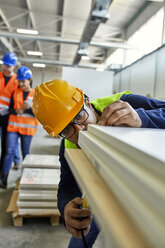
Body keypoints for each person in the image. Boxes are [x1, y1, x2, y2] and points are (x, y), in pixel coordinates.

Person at [32, 79, 165, 247]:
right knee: (79, 242)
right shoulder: (68, 145)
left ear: (87, 102)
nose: (79, 129)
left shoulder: (125, 103)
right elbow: (67, 185)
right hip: (104, 190)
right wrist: (66, 206)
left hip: (150, 187)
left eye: (79, 115)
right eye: (66, 129)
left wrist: (143, 118)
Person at [0, 66, 38, 188]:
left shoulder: (36, 94)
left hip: (27, 129)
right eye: (19, 81)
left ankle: (26, 179)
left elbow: (39, 114)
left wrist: (29, 109)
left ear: (29, 80)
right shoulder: (15, 92)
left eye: (23, 81)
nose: (21, 84)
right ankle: (3, 179)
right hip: (13, 127)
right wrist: (16, 110)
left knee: (25, 153)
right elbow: (10, 109)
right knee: (9, 151)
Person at [0, 52, 20, 175]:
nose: (6, 68)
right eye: (5, 65)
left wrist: (9, 109)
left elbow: (17, 99)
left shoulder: (17, 81)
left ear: (14, 66)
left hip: (8, 115)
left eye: (9, 66)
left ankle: (3, 169)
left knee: (6, 144)